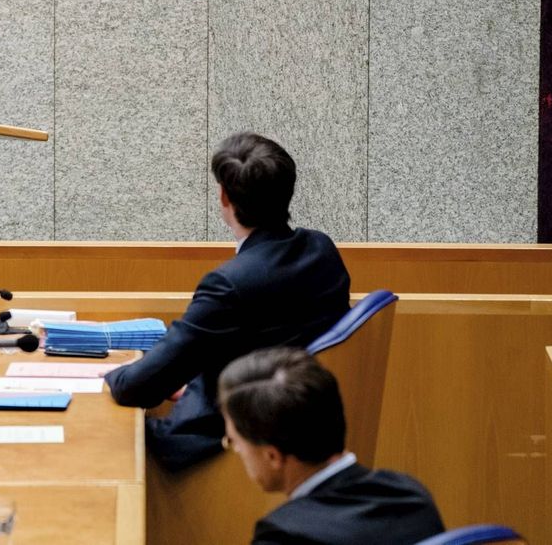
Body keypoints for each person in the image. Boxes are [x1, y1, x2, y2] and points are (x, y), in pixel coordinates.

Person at [104, 131, 350, 471]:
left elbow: (136, 387)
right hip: (300, 432)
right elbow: (270, 340)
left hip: (225, 448)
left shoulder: (229, 284)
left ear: (223, 196)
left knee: (102, 431)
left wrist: (105, 376)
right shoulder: (321, 250)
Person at [219, 347, 445, 544]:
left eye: (234, 441)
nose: (236, 450)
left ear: (273, 456)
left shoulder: (285, 535)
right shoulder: (410, 494)